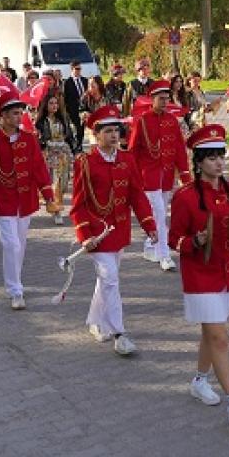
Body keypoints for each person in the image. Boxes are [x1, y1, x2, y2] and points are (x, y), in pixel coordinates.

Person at [167, 124, 229, 427]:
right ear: (199, 162)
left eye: (222, 155)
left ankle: (199, 381)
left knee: (211, 333)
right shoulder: (185, 197)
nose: (220, 162)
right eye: (212, 157)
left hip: (226, 273)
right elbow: (173, 241)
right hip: (199, 276)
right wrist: (194, 242)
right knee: (220, 338)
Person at [70, 105, 158, 355]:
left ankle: (95, 321)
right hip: (97, 234)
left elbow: (137, 196)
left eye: (116, 130)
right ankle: (120, 333)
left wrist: (149, 224)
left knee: (107, 279)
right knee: (110, 278)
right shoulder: (86, 163)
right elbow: (78, 205)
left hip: (118, 231)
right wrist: (85, 236)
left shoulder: (127, 159)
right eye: (108, 131)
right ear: (96, 135)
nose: (114, 135)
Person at [0, 89, 55, 310]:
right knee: (11, 244)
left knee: (19, 245)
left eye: (20, 113)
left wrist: (48, 196)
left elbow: (39, 169)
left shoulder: (30, 140)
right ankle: (15, 290)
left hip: (26, 199)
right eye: (13, 114)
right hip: (2, 201)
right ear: (2, 116)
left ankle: (16, 282)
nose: (18, 117)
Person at [127, 79, 192, 271]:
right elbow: (132, 151)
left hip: (167, 175)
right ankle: (164, 255)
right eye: (161, 99)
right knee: (160, 214)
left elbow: (180, 149)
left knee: (160, 212)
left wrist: (185, 175)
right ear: (152, 99)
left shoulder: (172, 120)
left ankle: (150, 246)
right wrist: (133, 176)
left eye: (167, 98)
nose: (164, 102)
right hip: (148, 176)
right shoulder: (143, 121)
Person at [35, 94, 74, 225]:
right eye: (51, 103)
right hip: (48, 155)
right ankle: (56, 211)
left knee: (62, 184)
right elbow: (40, 140)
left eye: (56, 103)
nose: (54, 106)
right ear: (46, 105)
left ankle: (54, 206)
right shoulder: (41, 122)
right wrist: (45, 143)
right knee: (53, 184)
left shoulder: (63, 119)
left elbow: (69, 136)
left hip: (63, 155)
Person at [63, 60, 88, 152]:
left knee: (84, 128)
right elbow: (66, 98)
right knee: (78, 128)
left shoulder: (85, 80)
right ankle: (78, 146)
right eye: (77, 69)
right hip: (74, 109)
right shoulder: (67, 82)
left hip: (85, 108)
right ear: (72, 69)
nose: (79, 71)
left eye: (80, 69)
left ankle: (80, 145)